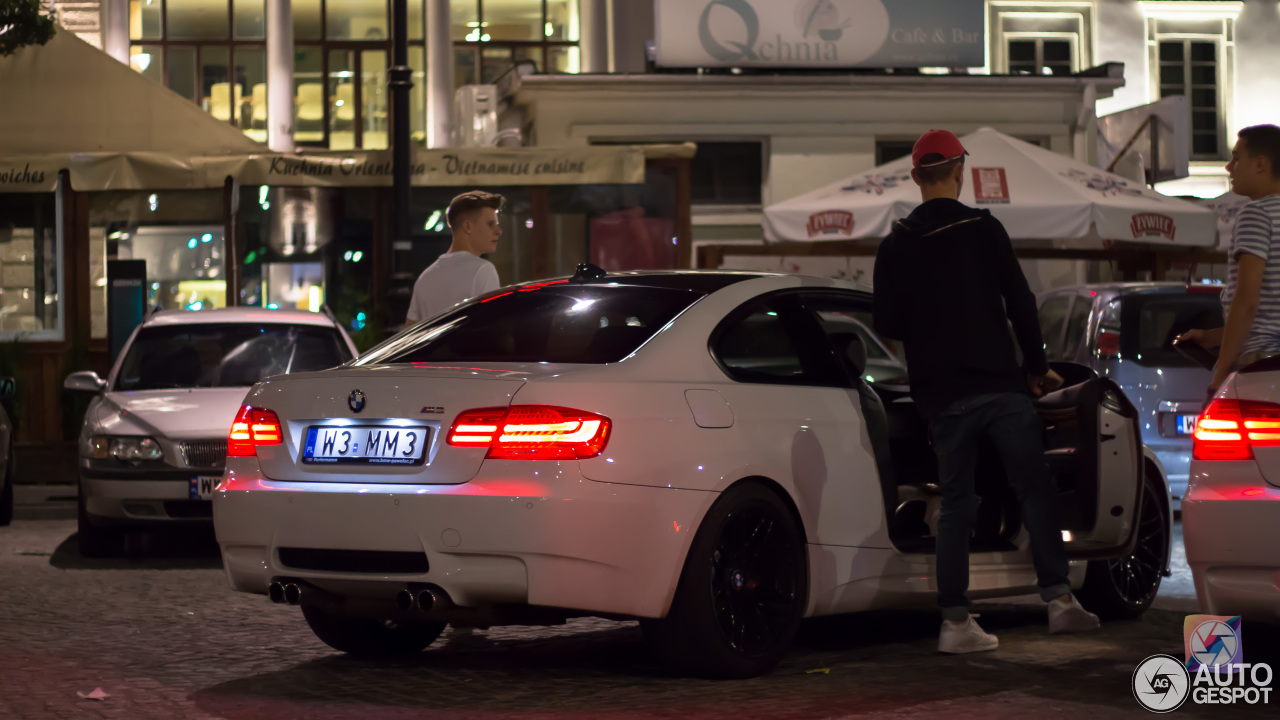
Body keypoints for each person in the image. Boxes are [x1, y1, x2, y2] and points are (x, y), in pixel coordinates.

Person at [873, 129, 1101, 655]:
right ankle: (1061, 603)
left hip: (941, 395)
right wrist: (1038, 367)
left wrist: (932, 331)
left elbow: (887, 320)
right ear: (961, 171)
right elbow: (1021, 301)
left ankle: (954, 622)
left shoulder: (896, 244)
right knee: (1033, 488)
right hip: (999, 386)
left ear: (914, 177)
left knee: (956, 502)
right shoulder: (984, 228)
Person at [1177, 125, 1280, 396]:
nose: (1228, 167)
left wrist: (1219, 377)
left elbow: (1247, 301)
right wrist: (1211, 337)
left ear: (1260, 164)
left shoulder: (1256, 215)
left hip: (1261, 368)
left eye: (1236, 158)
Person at [405, 190, 504, 325]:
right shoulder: (482, 270)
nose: (498, 231)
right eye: (490, 224)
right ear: (467, 226)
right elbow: (495, 329)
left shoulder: (425, 278)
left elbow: (409, 334)